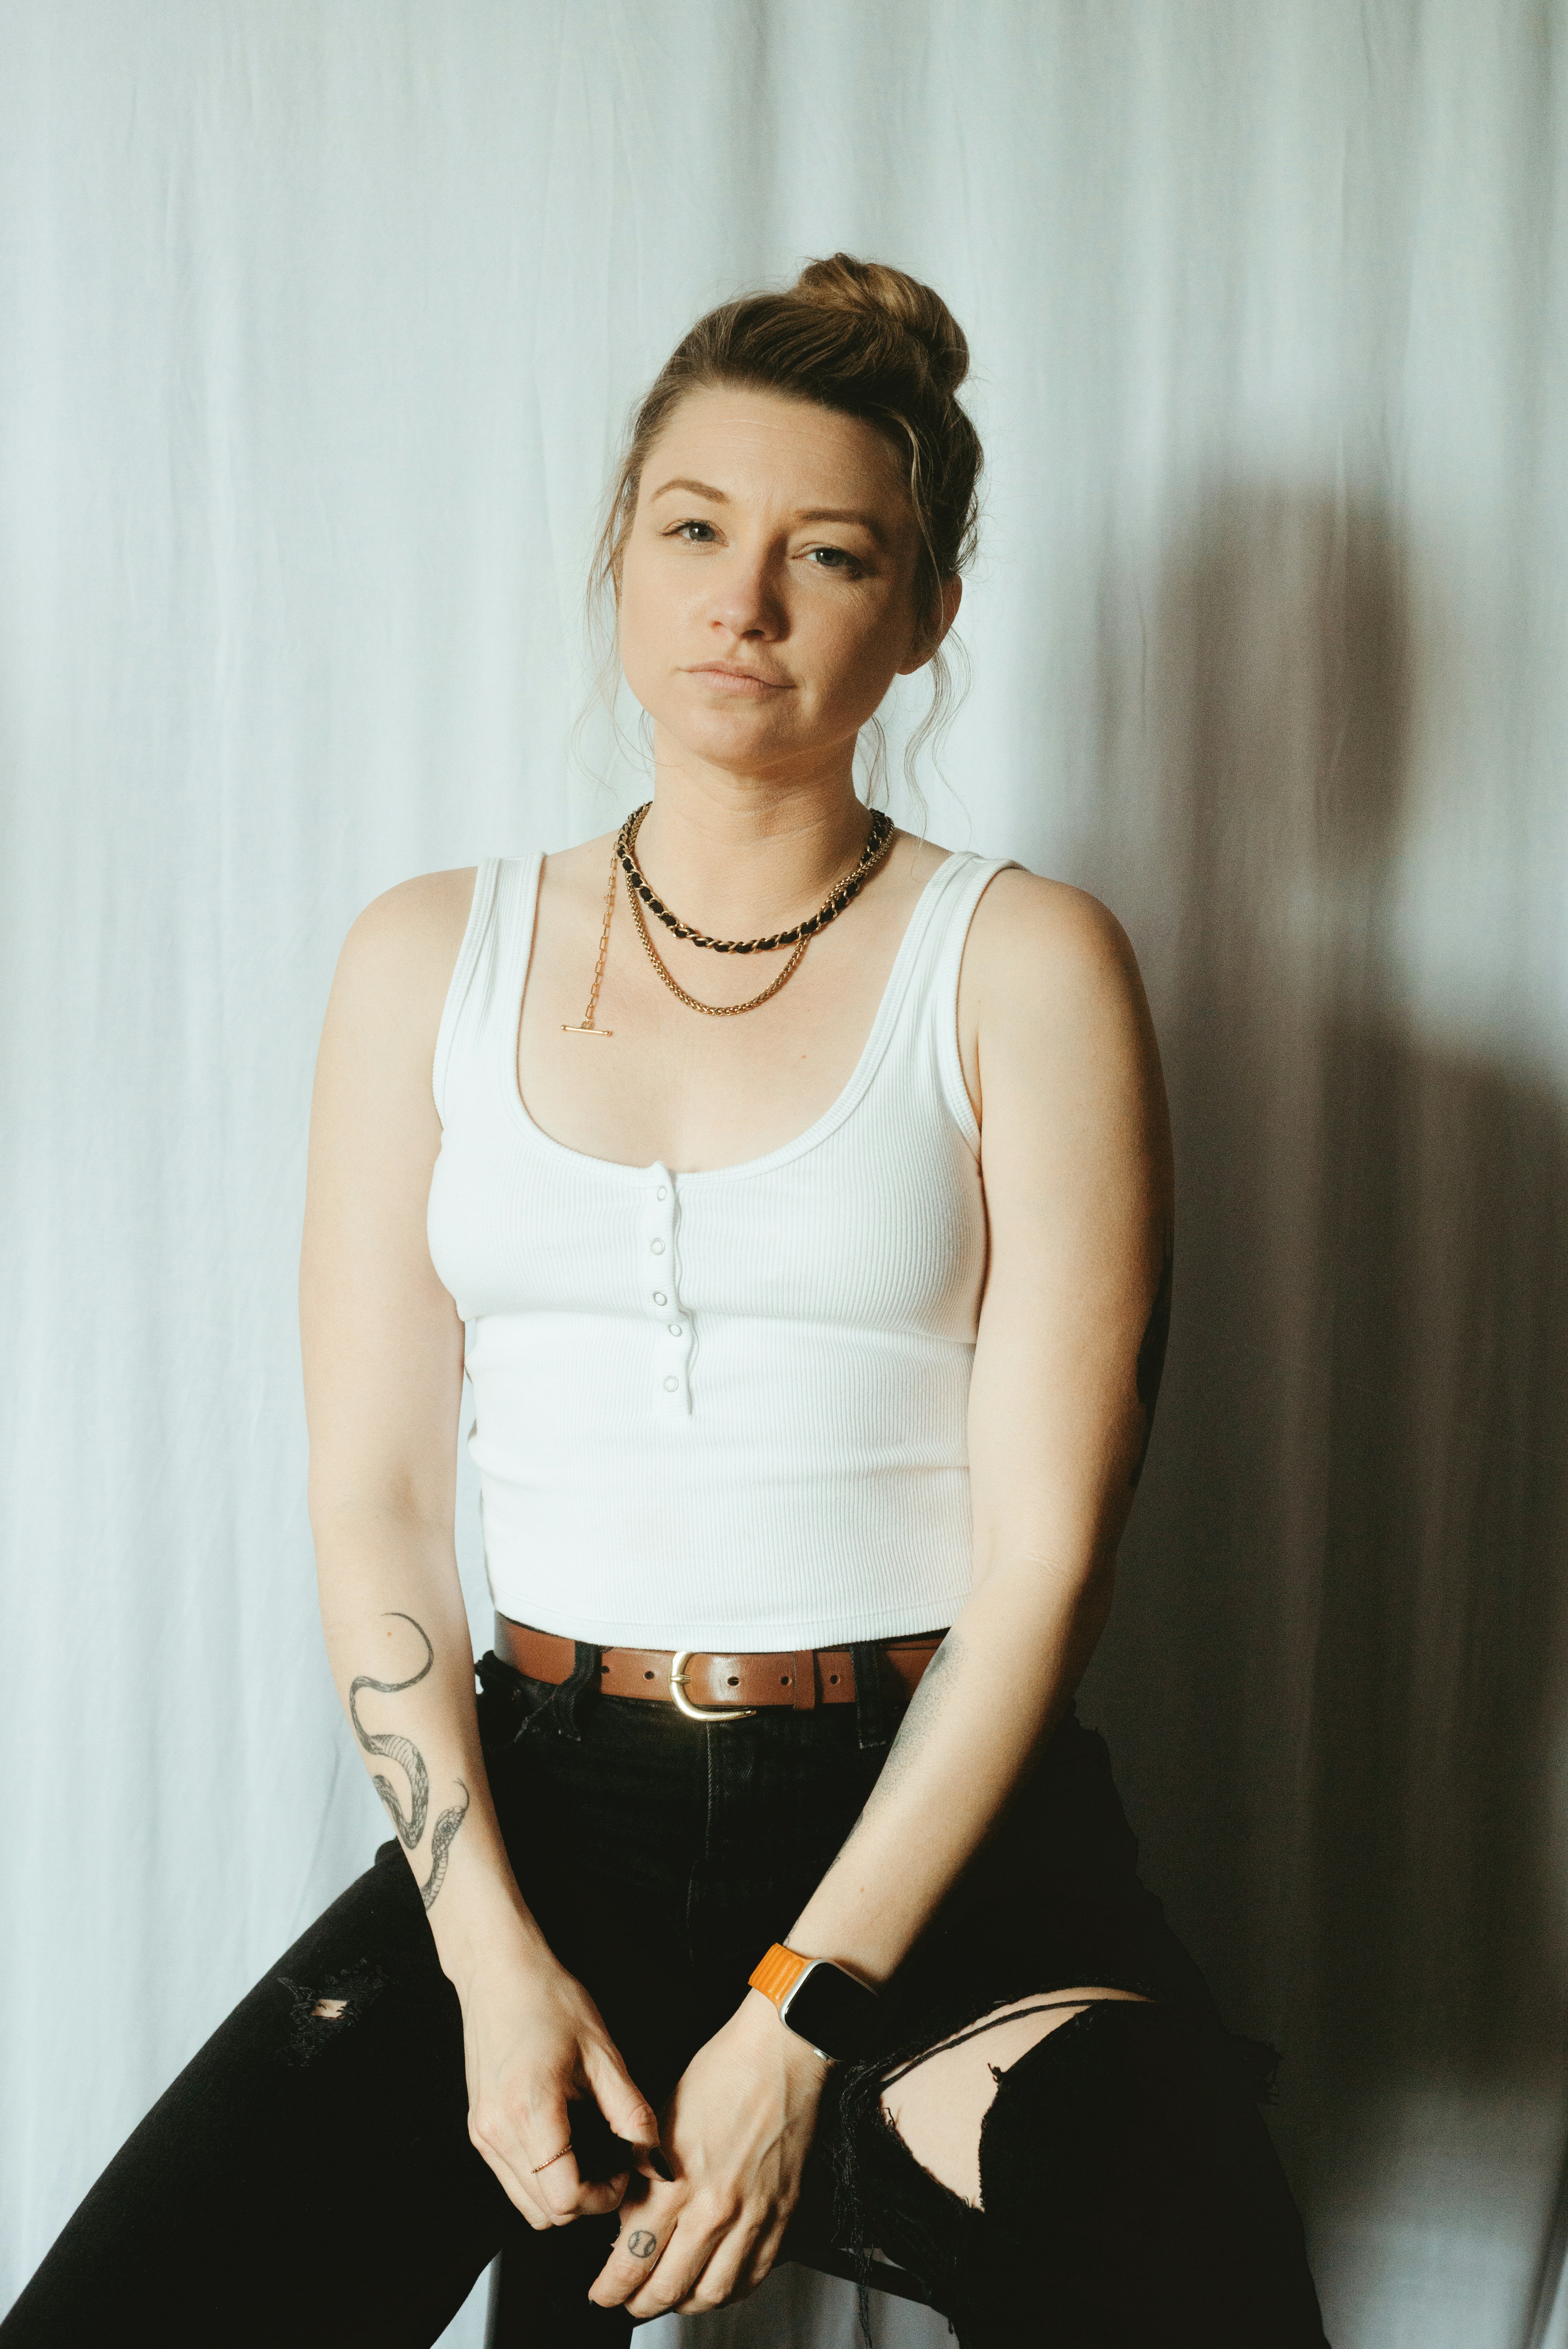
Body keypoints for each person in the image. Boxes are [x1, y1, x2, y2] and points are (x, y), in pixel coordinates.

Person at [1, 255, 1330, 2349]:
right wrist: (482, 1951)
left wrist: (803, 2016)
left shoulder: (1026, 963)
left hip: (933, 1819)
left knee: (1195, 2266)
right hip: (544, 1810)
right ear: (621, 554)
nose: (747, 601)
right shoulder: (422, 954)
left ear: (925, 618)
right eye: (695, 529)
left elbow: (1048, 1554)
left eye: (833, 554)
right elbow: (374, 1499)